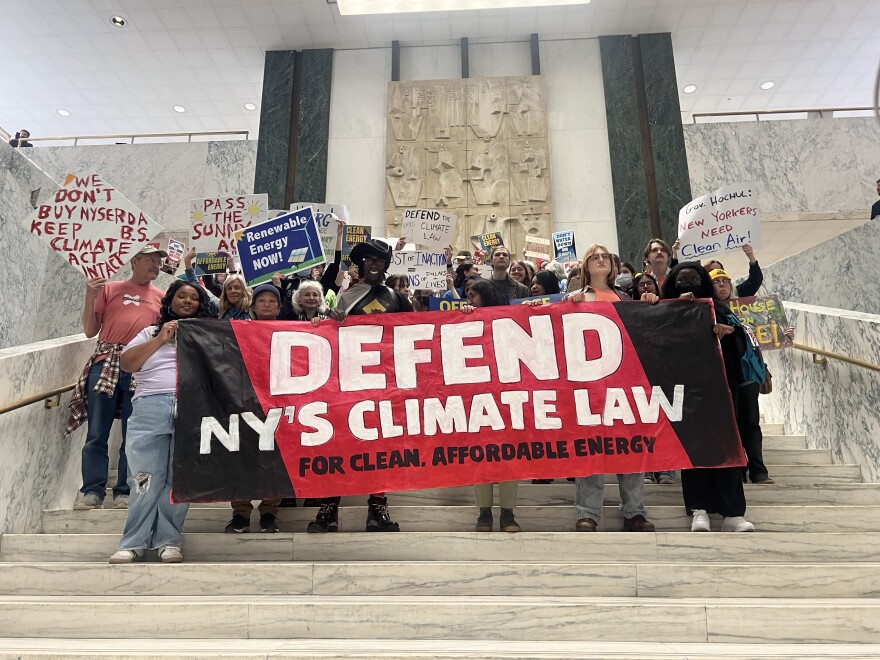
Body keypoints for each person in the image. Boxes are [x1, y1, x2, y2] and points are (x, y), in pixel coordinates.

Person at [307, 239, 413, 534]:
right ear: (361, 264)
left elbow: (417, 333)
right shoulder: (344, 298)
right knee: (339, 444)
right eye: (369, 260)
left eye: (379, 260)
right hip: (348, 383)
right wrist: (326, 322)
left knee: (383, 446)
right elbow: (326, 335)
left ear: (386, 265)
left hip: (386, 384)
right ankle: (328, 506)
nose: (374, 264)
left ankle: (378, 506)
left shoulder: (398, 298)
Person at [108, 280, 214, 564]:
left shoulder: (208, 335)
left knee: (179, 480)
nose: (188, 301)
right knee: (144, 478)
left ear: (200, 305)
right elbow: (127, 364)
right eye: (182, 296)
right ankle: (132, 542)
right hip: (150, 408)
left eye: (194, 298)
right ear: (171, 301)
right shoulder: (149, 332)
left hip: (192, 409)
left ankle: (169, 541)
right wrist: (160, 340)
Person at [67, 246, 168, 511]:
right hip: (106, 362)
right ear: (134, 261)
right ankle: (92, 491)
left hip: (140, 366)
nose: (156, 266)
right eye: (151, 261)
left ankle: (124, 491)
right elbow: (90, 330)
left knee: (132, 434)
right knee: (97, 431)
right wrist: (90, 294)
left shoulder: (161, 297)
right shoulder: (109, 288)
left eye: (159, 263)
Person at [566, 244, 657, 533]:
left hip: (624, 385)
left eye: (606, 256)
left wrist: (651, 303)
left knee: (629, 447)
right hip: (588, 386)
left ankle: (634, 511)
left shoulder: (625, 298)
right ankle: (588, 512)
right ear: (586, 266)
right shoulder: (573, 299)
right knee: (590, 448)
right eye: (596, 256)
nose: (602, 260)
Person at [661, 262, 755, 532]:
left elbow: (740, 348)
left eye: (693, 280)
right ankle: (698, 509)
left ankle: (733, 513)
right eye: (682, 280)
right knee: (693, 452)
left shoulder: (720, 311)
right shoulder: (662, 313)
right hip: (685, 393)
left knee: (727, 450)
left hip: (721, 393)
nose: (688, 285)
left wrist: (727, 334)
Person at [460, 279, 522, 532]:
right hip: (478, 400)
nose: (470, 299)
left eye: (474, 294)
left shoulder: (509, 319)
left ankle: (508, 513)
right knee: (480, 458)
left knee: (509, 458)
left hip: (507, 398)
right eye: (467, 295)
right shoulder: (464, 319)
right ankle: (484, 513)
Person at [225, 283, 286, 533]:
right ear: (252, 306)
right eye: (262, 301)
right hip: (245, 403)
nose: (267, 305)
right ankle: (240, 512)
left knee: (274, 461)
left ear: (280, 307)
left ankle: (269, 513)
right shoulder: (236, 331)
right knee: (242, 460)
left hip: (278, 405)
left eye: (273, 301)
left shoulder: (290, 331)